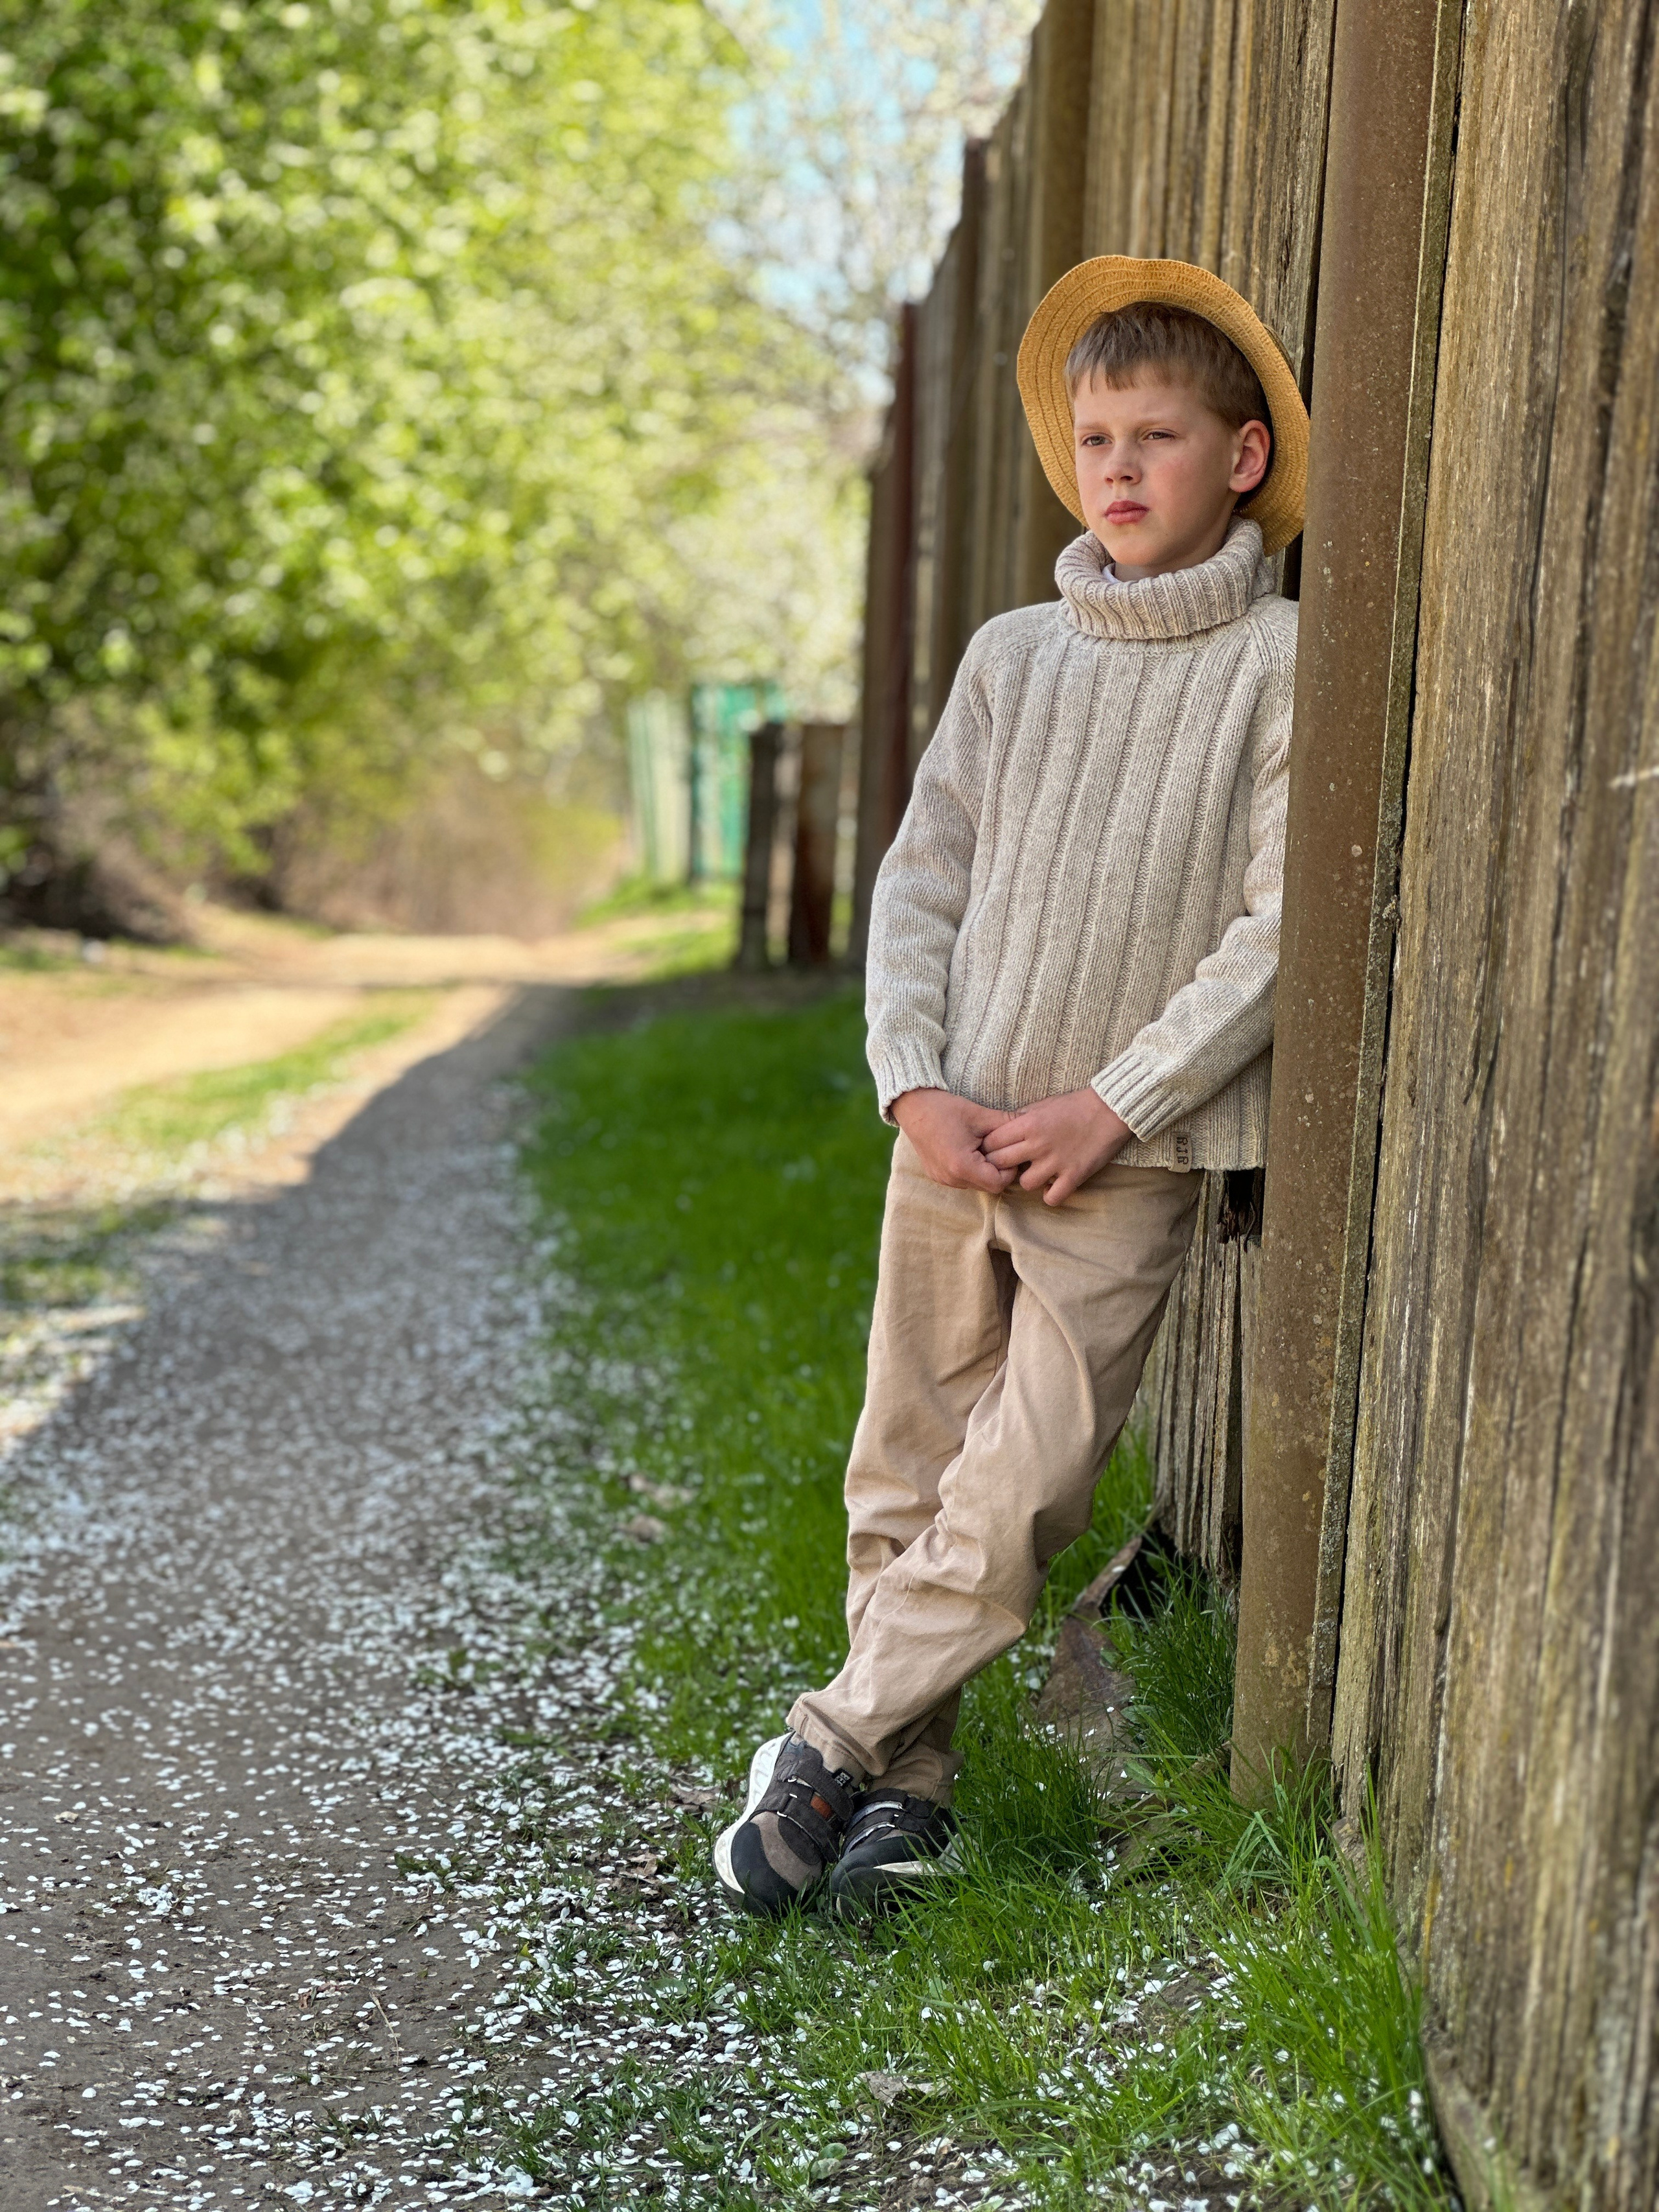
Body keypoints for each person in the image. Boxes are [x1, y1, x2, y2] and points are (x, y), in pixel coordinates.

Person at [715, 256, 1308, 1918]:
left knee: (1030, 1477)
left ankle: (822, 1741)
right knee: (901, 1472)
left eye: (1159, 437)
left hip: (1118, 1159)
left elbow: (1276, 932)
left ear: (1240, 458)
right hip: (954, 1136)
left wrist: (1112, 1101)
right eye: (1094, 436)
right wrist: (912, 1084)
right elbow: (918, 888)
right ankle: (902, 1799)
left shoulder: (1274, 664)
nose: (1117, 467)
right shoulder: (1007, 657)